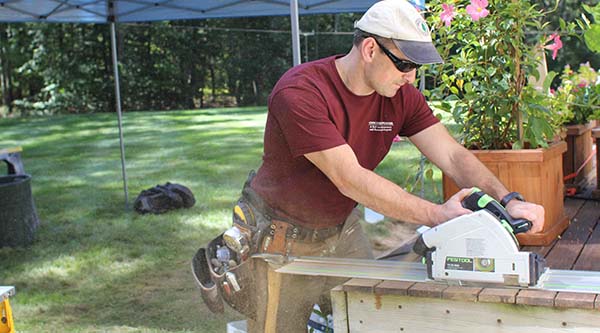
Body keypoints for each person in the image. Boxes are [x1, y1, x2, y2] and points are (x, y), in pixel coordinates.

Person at [239, 0, 545, 332]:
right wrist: (437, 214)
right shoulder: (301, 91)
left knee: (368, 319)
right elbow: (350, 178)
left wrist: (508, 198)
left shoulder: (400, 96)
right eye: (404, 64)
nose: (411, 77)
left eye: (417, 66)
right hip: (281, 236)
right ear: (370, 49)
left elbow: (453, 156)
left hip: (342, 229)